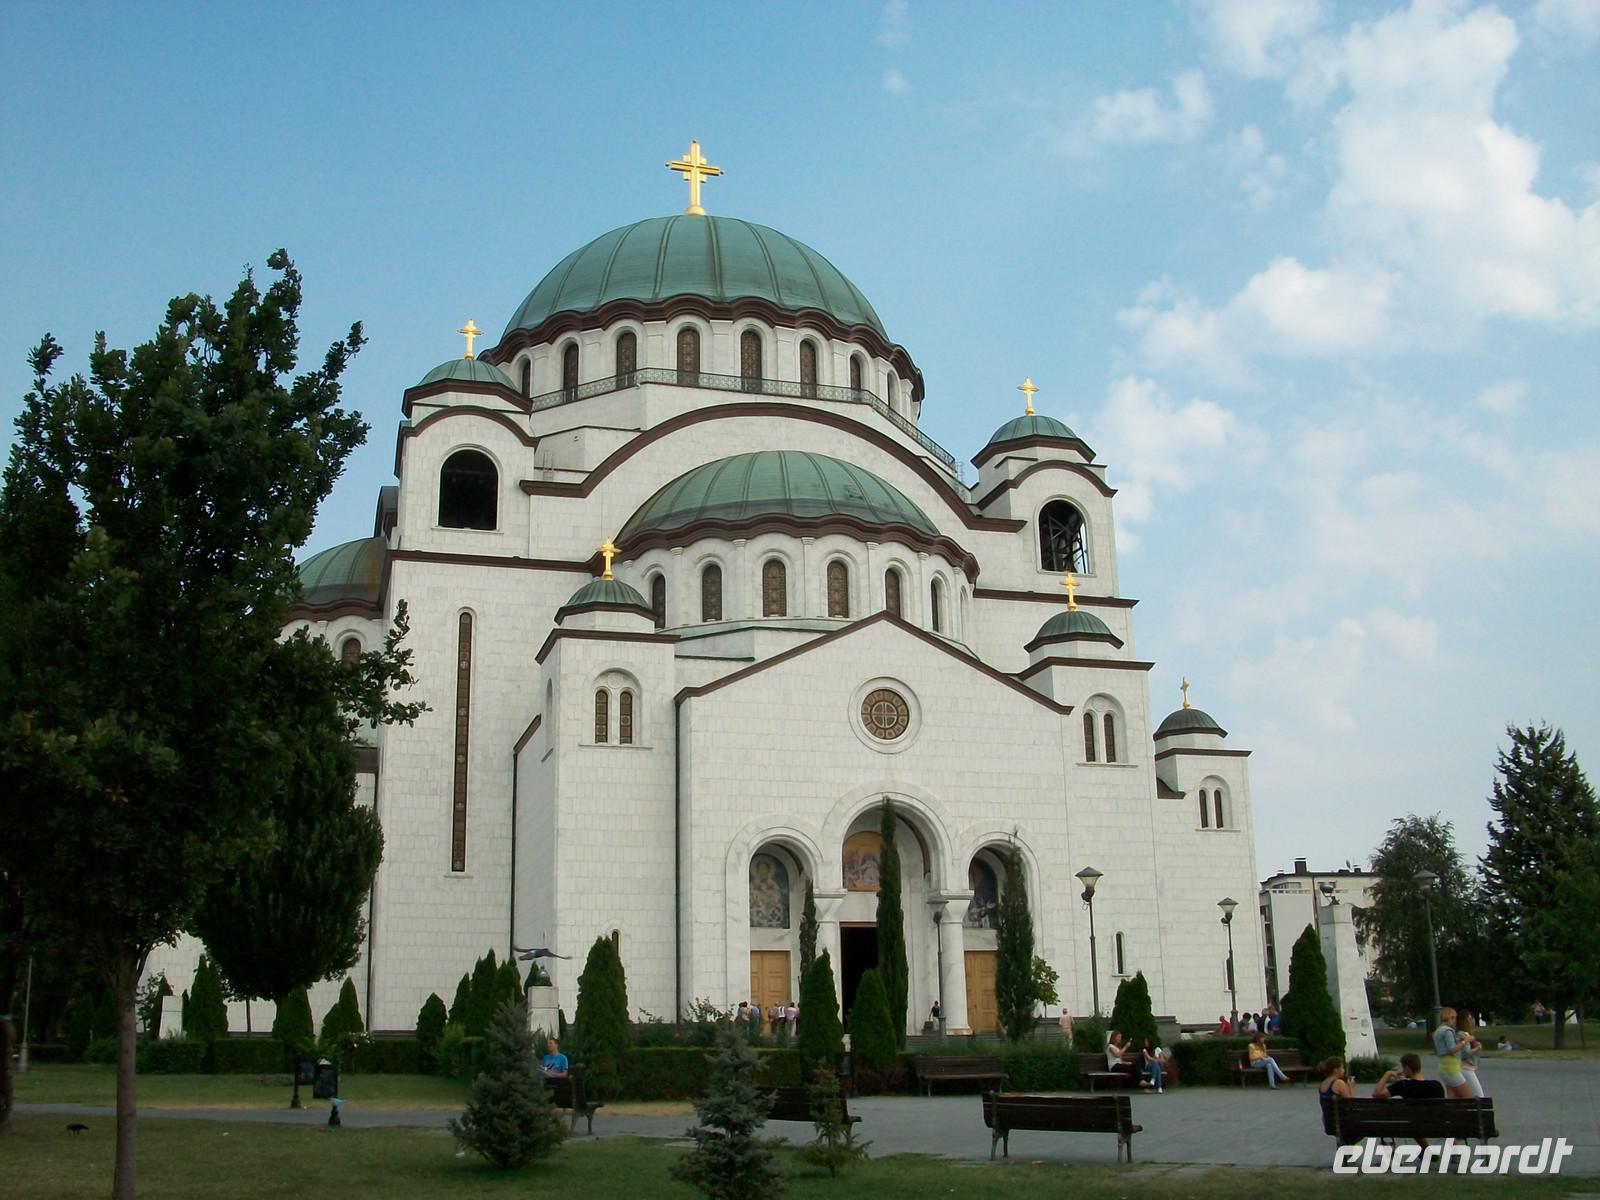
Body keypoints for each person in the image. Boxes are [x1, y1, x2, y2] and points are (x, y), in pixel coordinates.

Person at [1432, 1007, 1473, 1099]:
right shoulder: (1448, 1031)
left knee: (1452, 1098)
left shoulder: (1438, 1031)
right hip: (1451, 1067)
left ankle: (1451, 1113)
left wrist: (1458, 1040)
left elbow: (1444, 1047)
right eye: (1454, 1018)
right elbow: (1452, 1049)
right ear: (1450, 1017)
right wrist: (1465, 1041)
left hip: (1443, 1066)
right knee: (1468, 1096)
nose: (1455, 1021)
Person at [1373, 1053, 1445, 1099]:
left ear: (1407, 1068)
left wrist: (1387, 1074)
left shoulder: (1403, 1085)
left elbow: (1376, 1094)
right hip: (1434, 1122)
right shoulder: (1437, 1086)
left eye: (1403, 1068)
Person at [1458, 1011, 1485, 1098]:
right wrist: (1478, 1048)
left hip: (1465, 1068)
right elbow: (1466, 1053)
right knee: (1479, 1096)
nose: (1471, 1021)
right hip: (1466, 1068)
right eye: (1469, 1019)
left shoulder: (1464, 1034)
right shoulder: (1464, 1035)